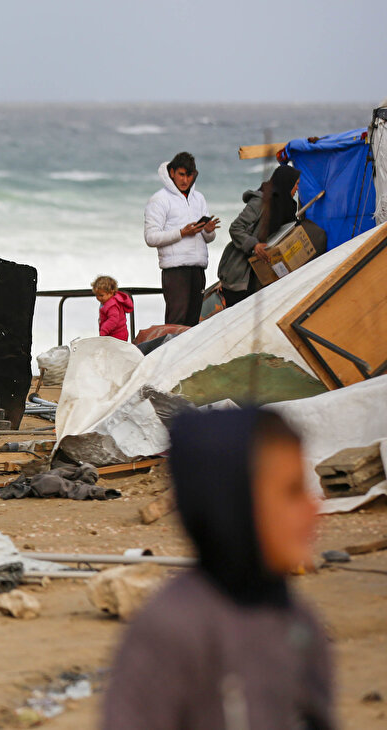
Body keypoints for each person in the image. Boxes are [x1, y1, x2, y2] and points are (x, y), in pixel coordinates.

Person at [101, 408, 334, 730]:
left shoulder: (298, 621)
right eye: (292, 492)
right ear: (232, 506)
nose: (314, 506)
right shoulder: (172, 630)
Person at [218, 164, 316, 307]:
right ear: (286, 183)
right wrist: (254, 245)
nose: (297, 189)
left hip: (263, 271)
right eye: (296, 184)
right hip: (241, 275)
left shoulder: (287, 207)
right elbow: (236, 228)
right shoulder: (260, 201)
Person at [143, 152, 219, 326]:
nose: (185, 180)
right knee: (176, 322)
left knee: (193, 324)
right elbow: (150, 237)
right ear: (172, 173)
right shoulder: (159, 200)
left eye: (189, 175)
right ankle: (169, 353)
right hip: (175, 270)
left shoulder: (198, 198)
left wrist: (208, 231)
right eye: (181, 175)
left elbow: (208, 238)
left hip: (198, 268)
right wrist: (181, 233)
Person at [91, 275, 132, 341]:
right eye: (96, 295)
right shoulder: (106, 302)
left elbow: (113, 319)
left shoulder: (112, 305)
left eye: (101, 295)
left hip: (117, 335)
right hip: (113, 334)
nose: (98, 298)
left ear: (111, 292)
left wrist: (103, 331)